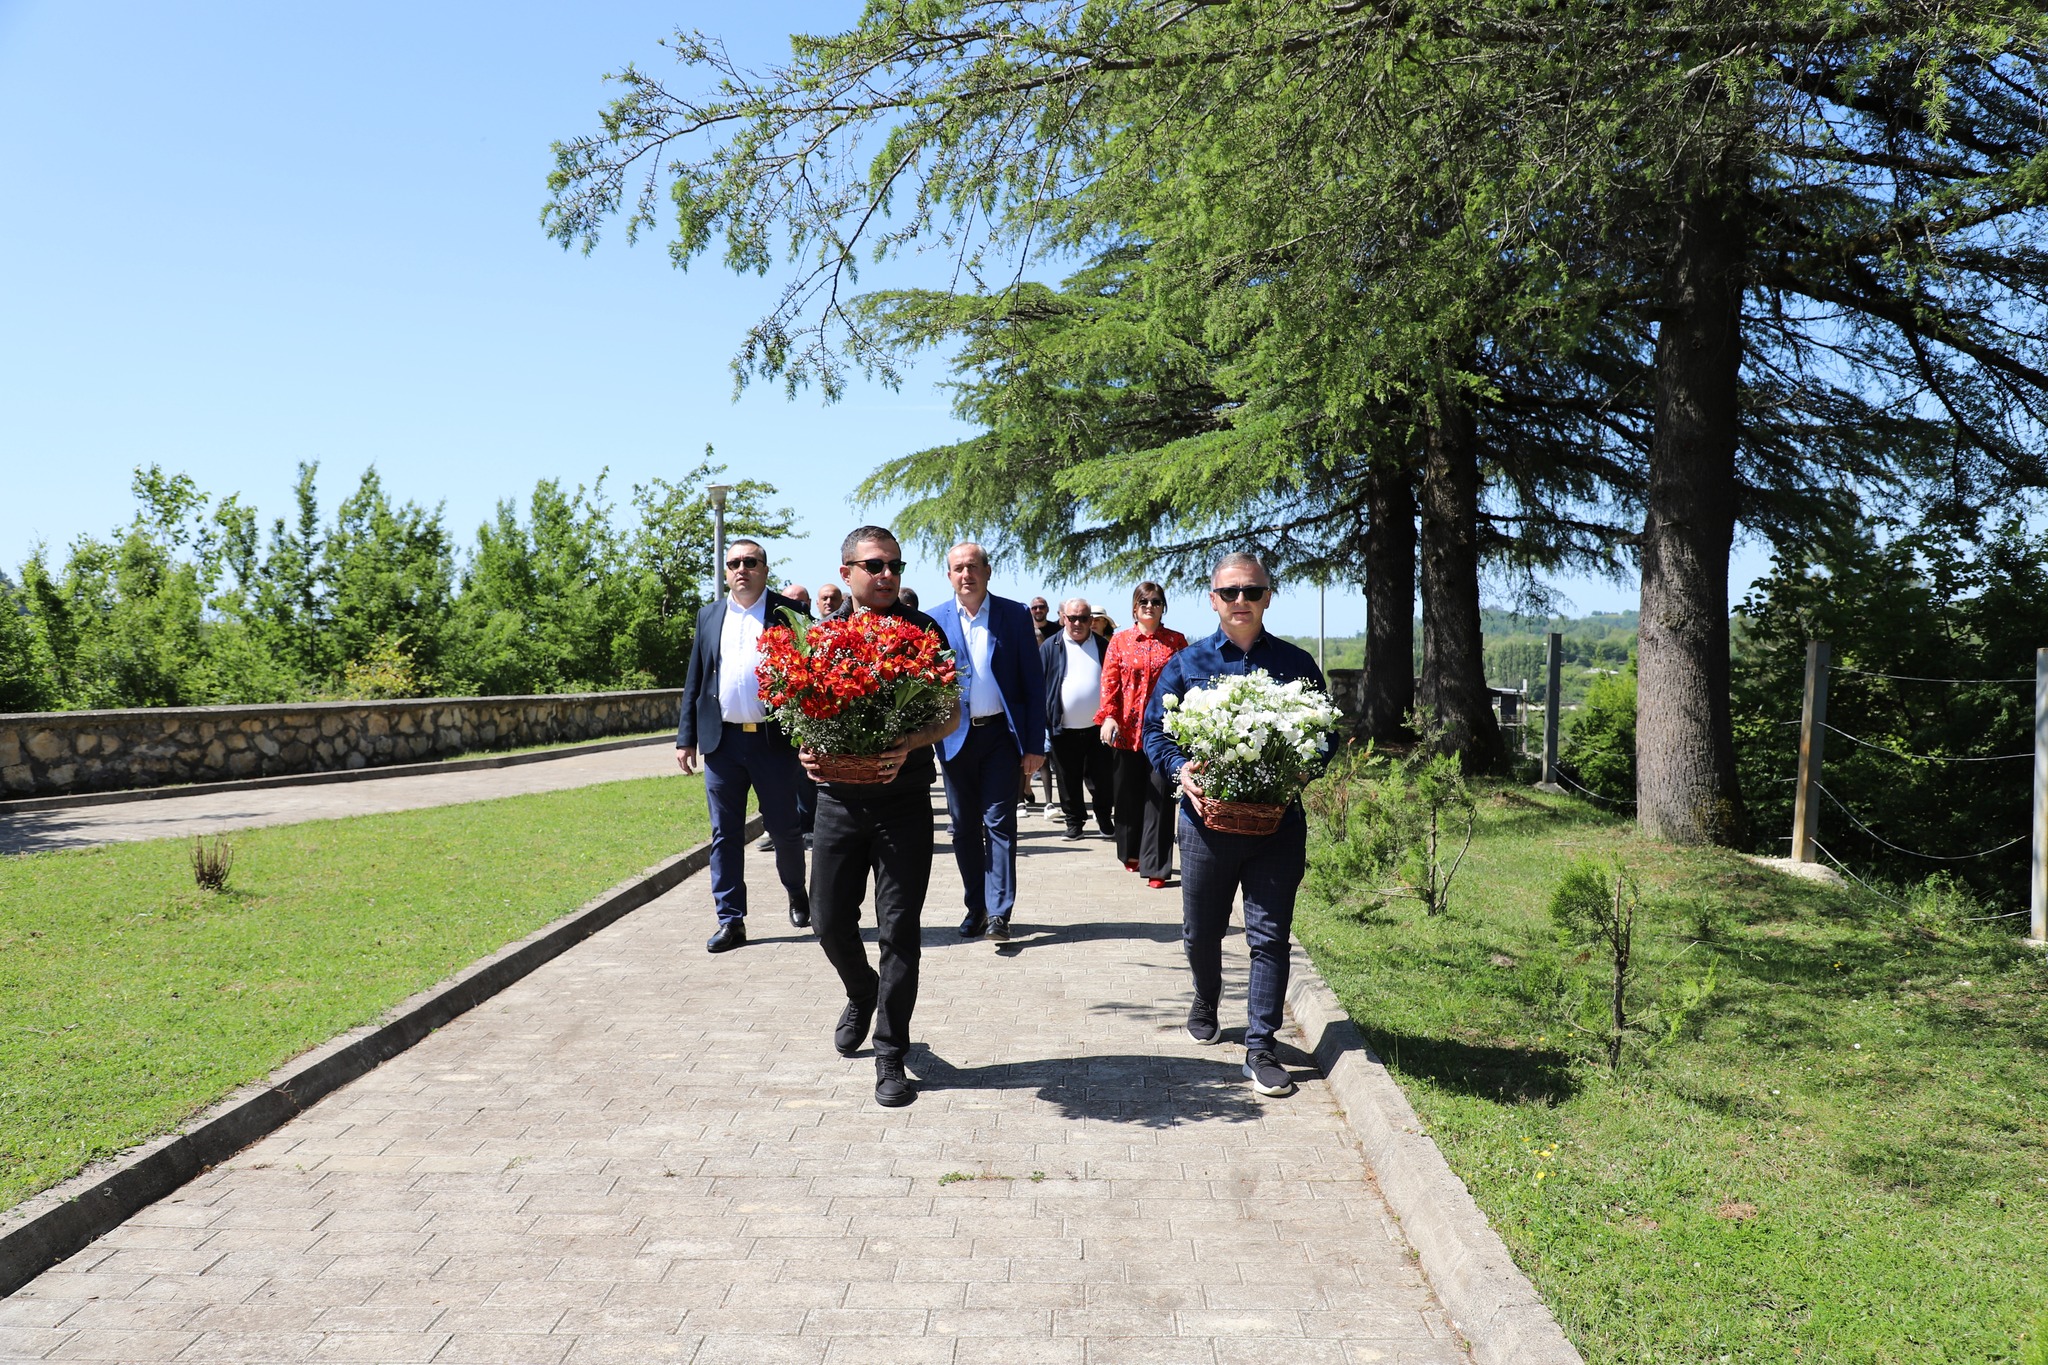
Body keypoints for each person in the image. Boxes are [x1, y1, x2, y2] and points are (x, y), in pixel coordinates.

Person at [1143, 553, 1327, 1099]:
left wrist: (1304, 766)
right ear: (1213, 600)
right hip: (1206, 827)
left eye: (1251, 590)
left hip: (1276, 827)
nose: (1240, 600)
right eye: (1229, 592)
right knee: (1201, 932)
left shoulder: (1296, 663)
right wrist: (1180, 769)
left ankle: (1260, 1047)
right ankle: (1206, 996)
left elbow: (1326, 734)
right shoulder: (1186, 663)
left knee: (1270, 937)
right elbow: (1156, 731)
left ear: (1268, 596)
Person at [802, 527, 959, 1108]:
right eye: (875, 565)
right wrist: (806, 749)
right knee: (827, 922)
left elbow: (951, 713)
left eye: (895, 565)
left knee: (899, 931)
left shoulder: (924, 632)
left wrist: (910, 742)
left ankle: (891, 1053)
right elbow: (801, 710)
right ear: (846, 571)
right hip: (838, 802)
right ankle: (861, 989)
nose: (888, 574)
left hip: (904, 803)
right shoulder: (822, 636)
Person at [675, 540, 812, 953]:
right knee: (725, 834)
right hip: (722, 743)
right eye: (734, 563)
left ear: (765, 569)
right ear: (726, 571)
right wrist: (686, 738)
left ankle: (797, 892)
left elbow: (810, 675)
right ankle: (730, 920)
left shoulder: (789, 614)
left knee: (785, 830)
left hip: (773, 742)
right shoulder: (709, 615)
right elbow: (696, 679)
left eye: (750, 562)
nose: (741, 569)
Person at [929, 542, 1047, 942]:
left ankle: (999, 913)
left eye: (973, 566)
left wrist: (1034, 745)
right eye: (959, 568)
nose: (967, 574)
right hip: (954, 737)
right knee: (963, 827)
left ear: (987, 571)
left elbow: (1033, 685)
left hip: (1001, 736)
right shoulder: (934, 620)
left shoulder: (1014, 615)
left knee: (999, 823)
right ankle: (976, 907)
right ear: (949, 576)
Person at [1098, 581, 1188, 887]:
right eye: (1144, 602)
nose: (1150, 606)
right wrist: (1109, 716)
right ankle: (1131, 851)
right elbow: (1109, 682)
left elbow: (1186, 682)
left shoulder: (1176, 641)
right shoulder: (1120, 641)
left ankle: (1157, 867)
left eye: (1156, 601)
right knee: (1128, 796)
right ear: (1135, 608)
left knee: (1160, 797)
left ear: (1163, 607)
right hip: (1126, 731)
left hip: (1163, 732)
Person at [1040, 597, 1115, 842]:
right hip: (1063, 727)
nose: (1077, 623)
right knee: (1067, 779)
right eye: (1072, 618)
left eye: (1083, 618)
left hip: (1099, 728)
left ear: (1091, 620)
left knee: (1103, 778)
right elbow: (1039, 684)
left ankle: (1104, 817)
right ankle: (1074, 823)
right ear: (1064, 618)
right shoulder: (1050, 646)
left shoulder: (1103, 646)